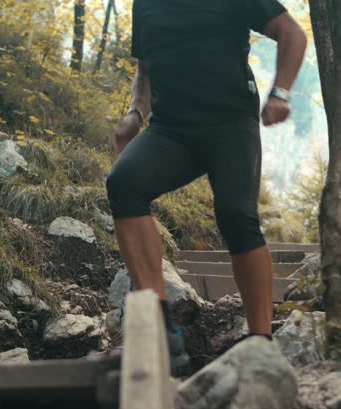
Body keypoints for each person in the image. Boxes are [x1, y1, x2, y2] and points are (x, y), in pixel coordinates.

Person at [106, 0, 307, 370]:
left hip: (230, 126)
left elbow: (292, 34)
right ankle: (161, 329)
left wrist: (279, 93)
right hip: (171, 130)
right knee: (124, 182)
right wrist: (136, 112)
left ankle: (260, 342)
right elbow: (146, 69)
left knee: (235, 214)